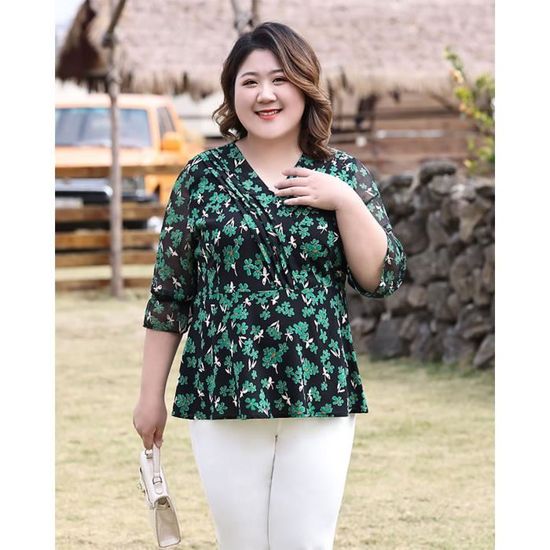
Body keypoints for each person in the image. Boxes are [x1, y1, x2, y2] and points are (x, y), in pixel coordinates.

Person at [133, 21, 407, 550]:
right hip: (223, 386)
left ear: (304, 86)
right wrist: (150, 399)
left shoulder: (343, 174)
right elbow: (169, 297)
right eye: (250, 82)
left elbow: (380, 277)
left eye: (280, 79)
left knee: (306, 542)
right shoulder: (201, 178)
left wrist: (344, 200)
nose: (265, 94)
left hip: (318, 387)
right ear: (232, 93)